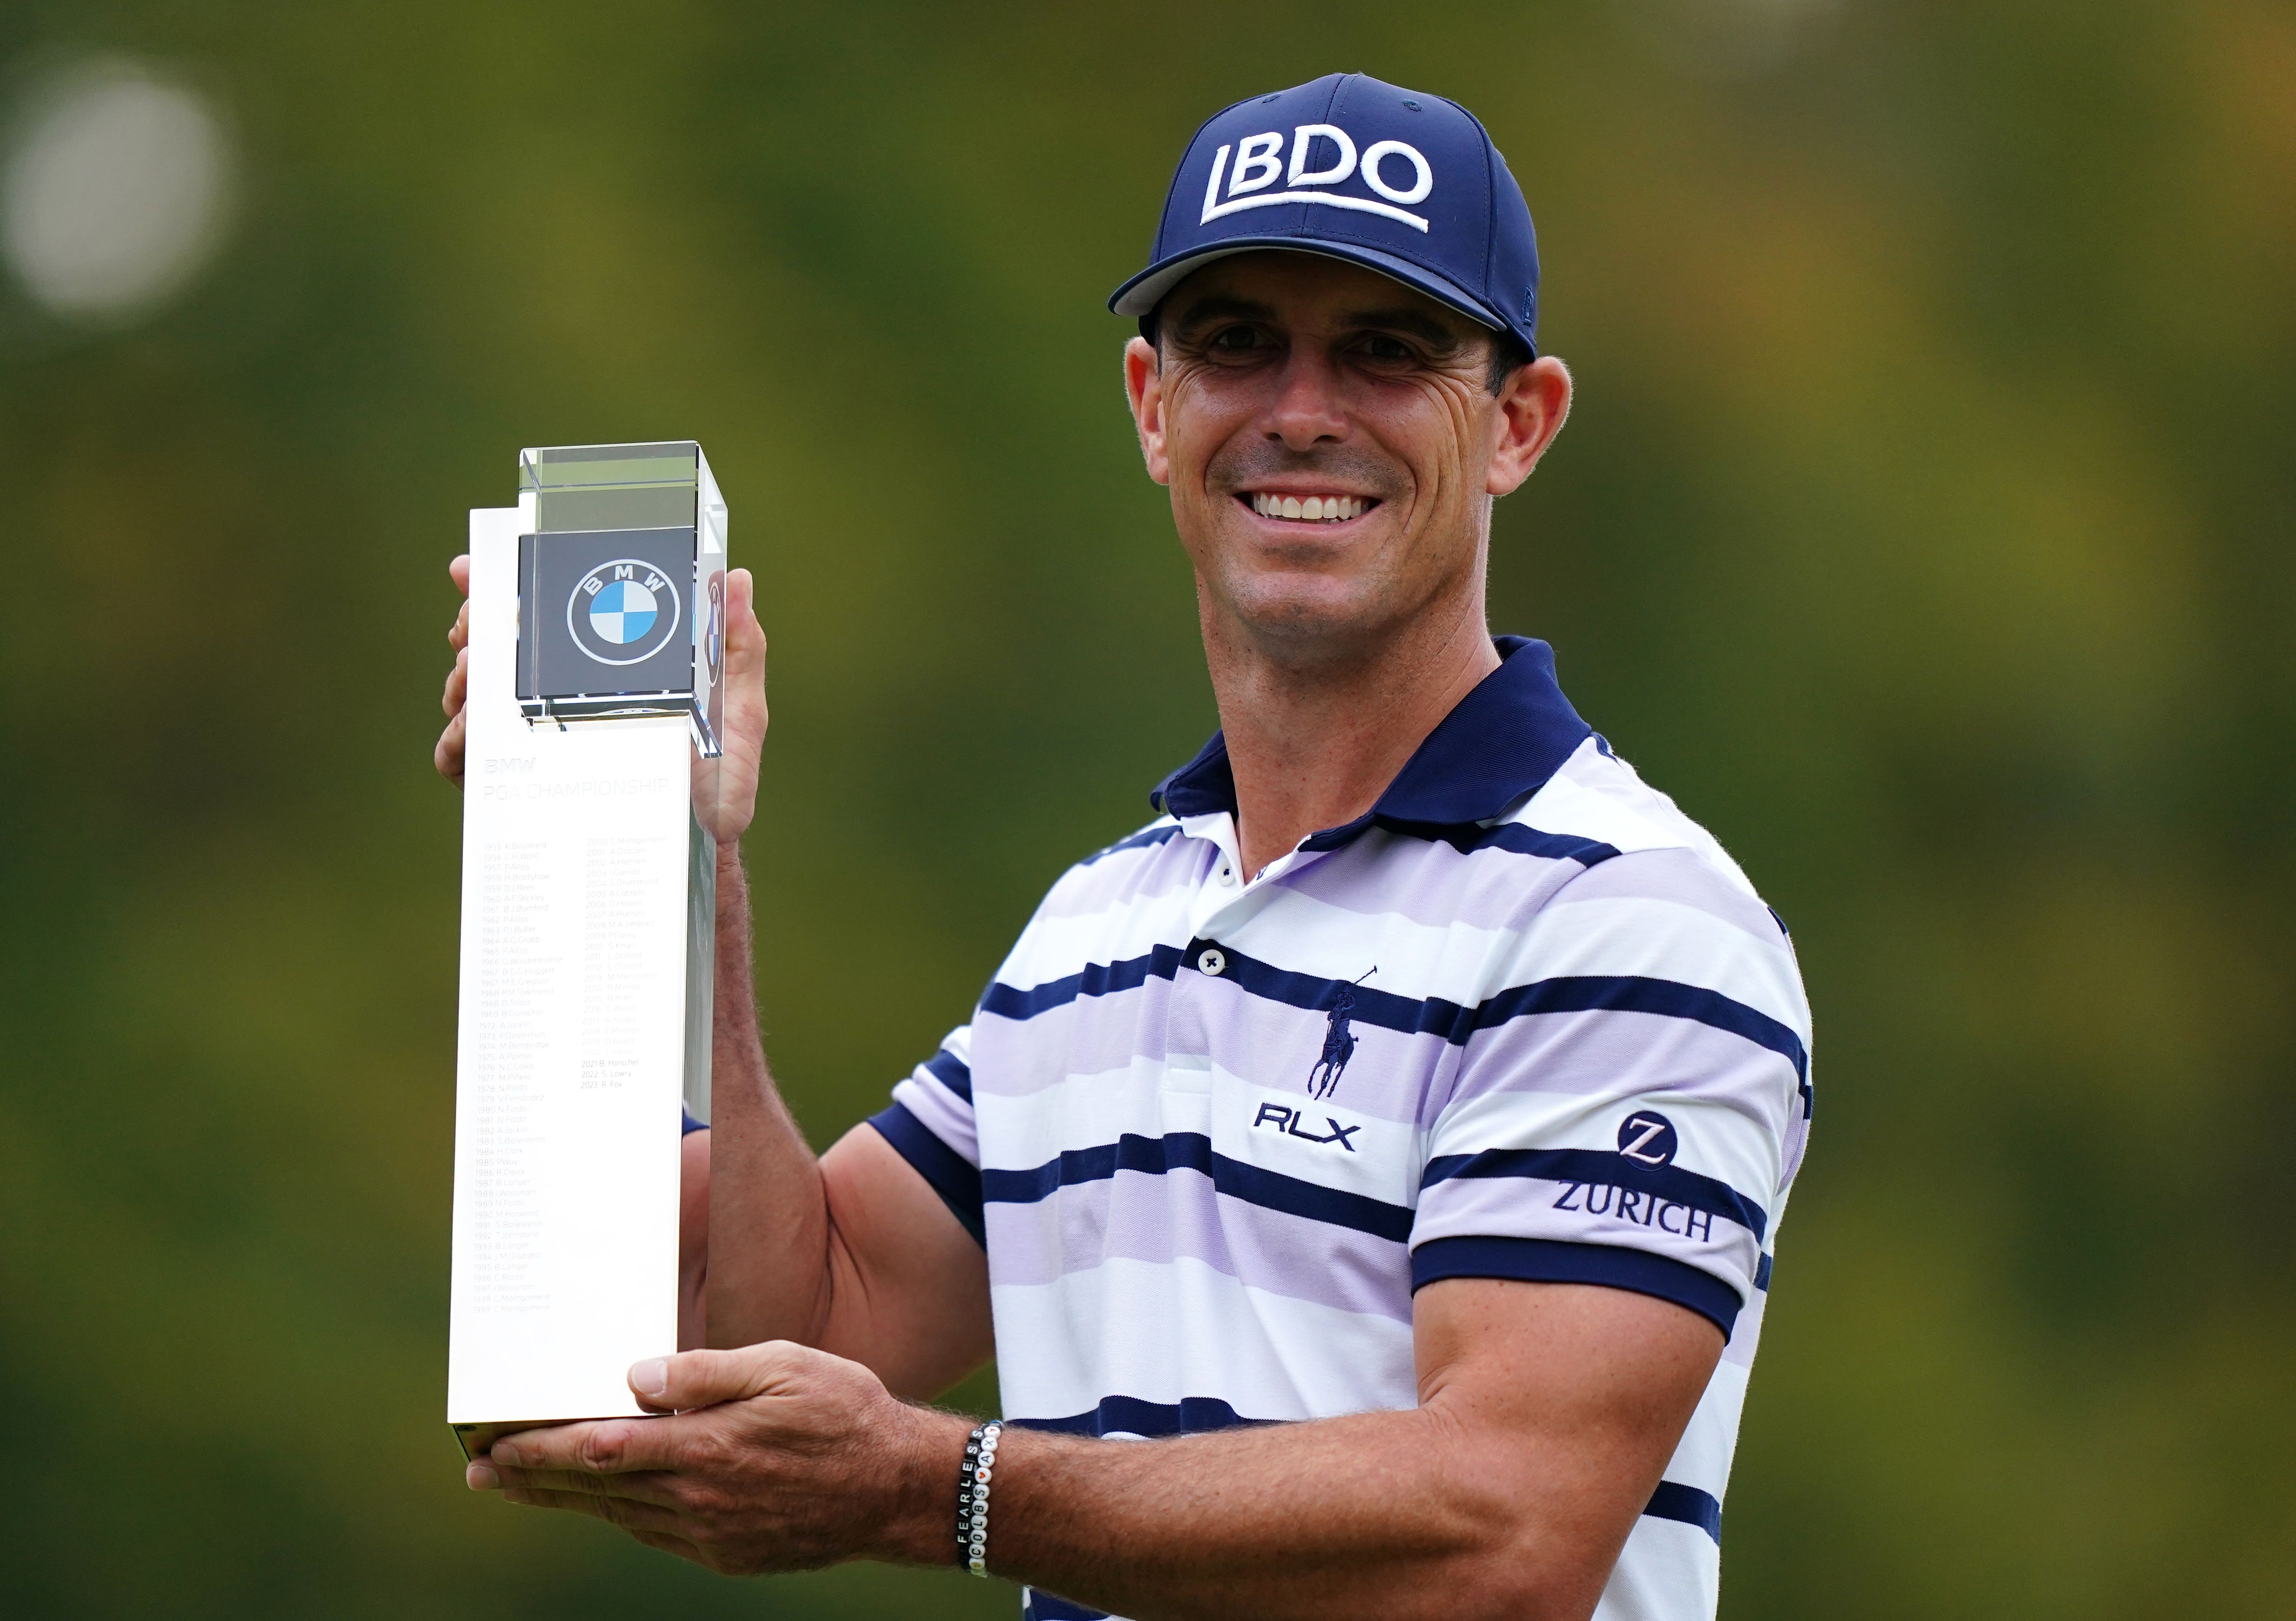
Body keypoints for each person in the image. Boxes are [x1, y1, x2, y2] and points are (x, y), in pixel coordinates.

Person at [434, 71, 1812, 1621]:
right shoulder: (1099, 929)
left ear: (1517, 425)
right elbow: (794, 1329)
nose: (1301, 408)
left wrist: (935, 1490)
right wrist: (669, 864)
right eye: (1238, 344)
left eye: (1384, 350)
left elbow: (1500, 1535)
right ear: (1155, 408)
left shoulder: (1633, 923)